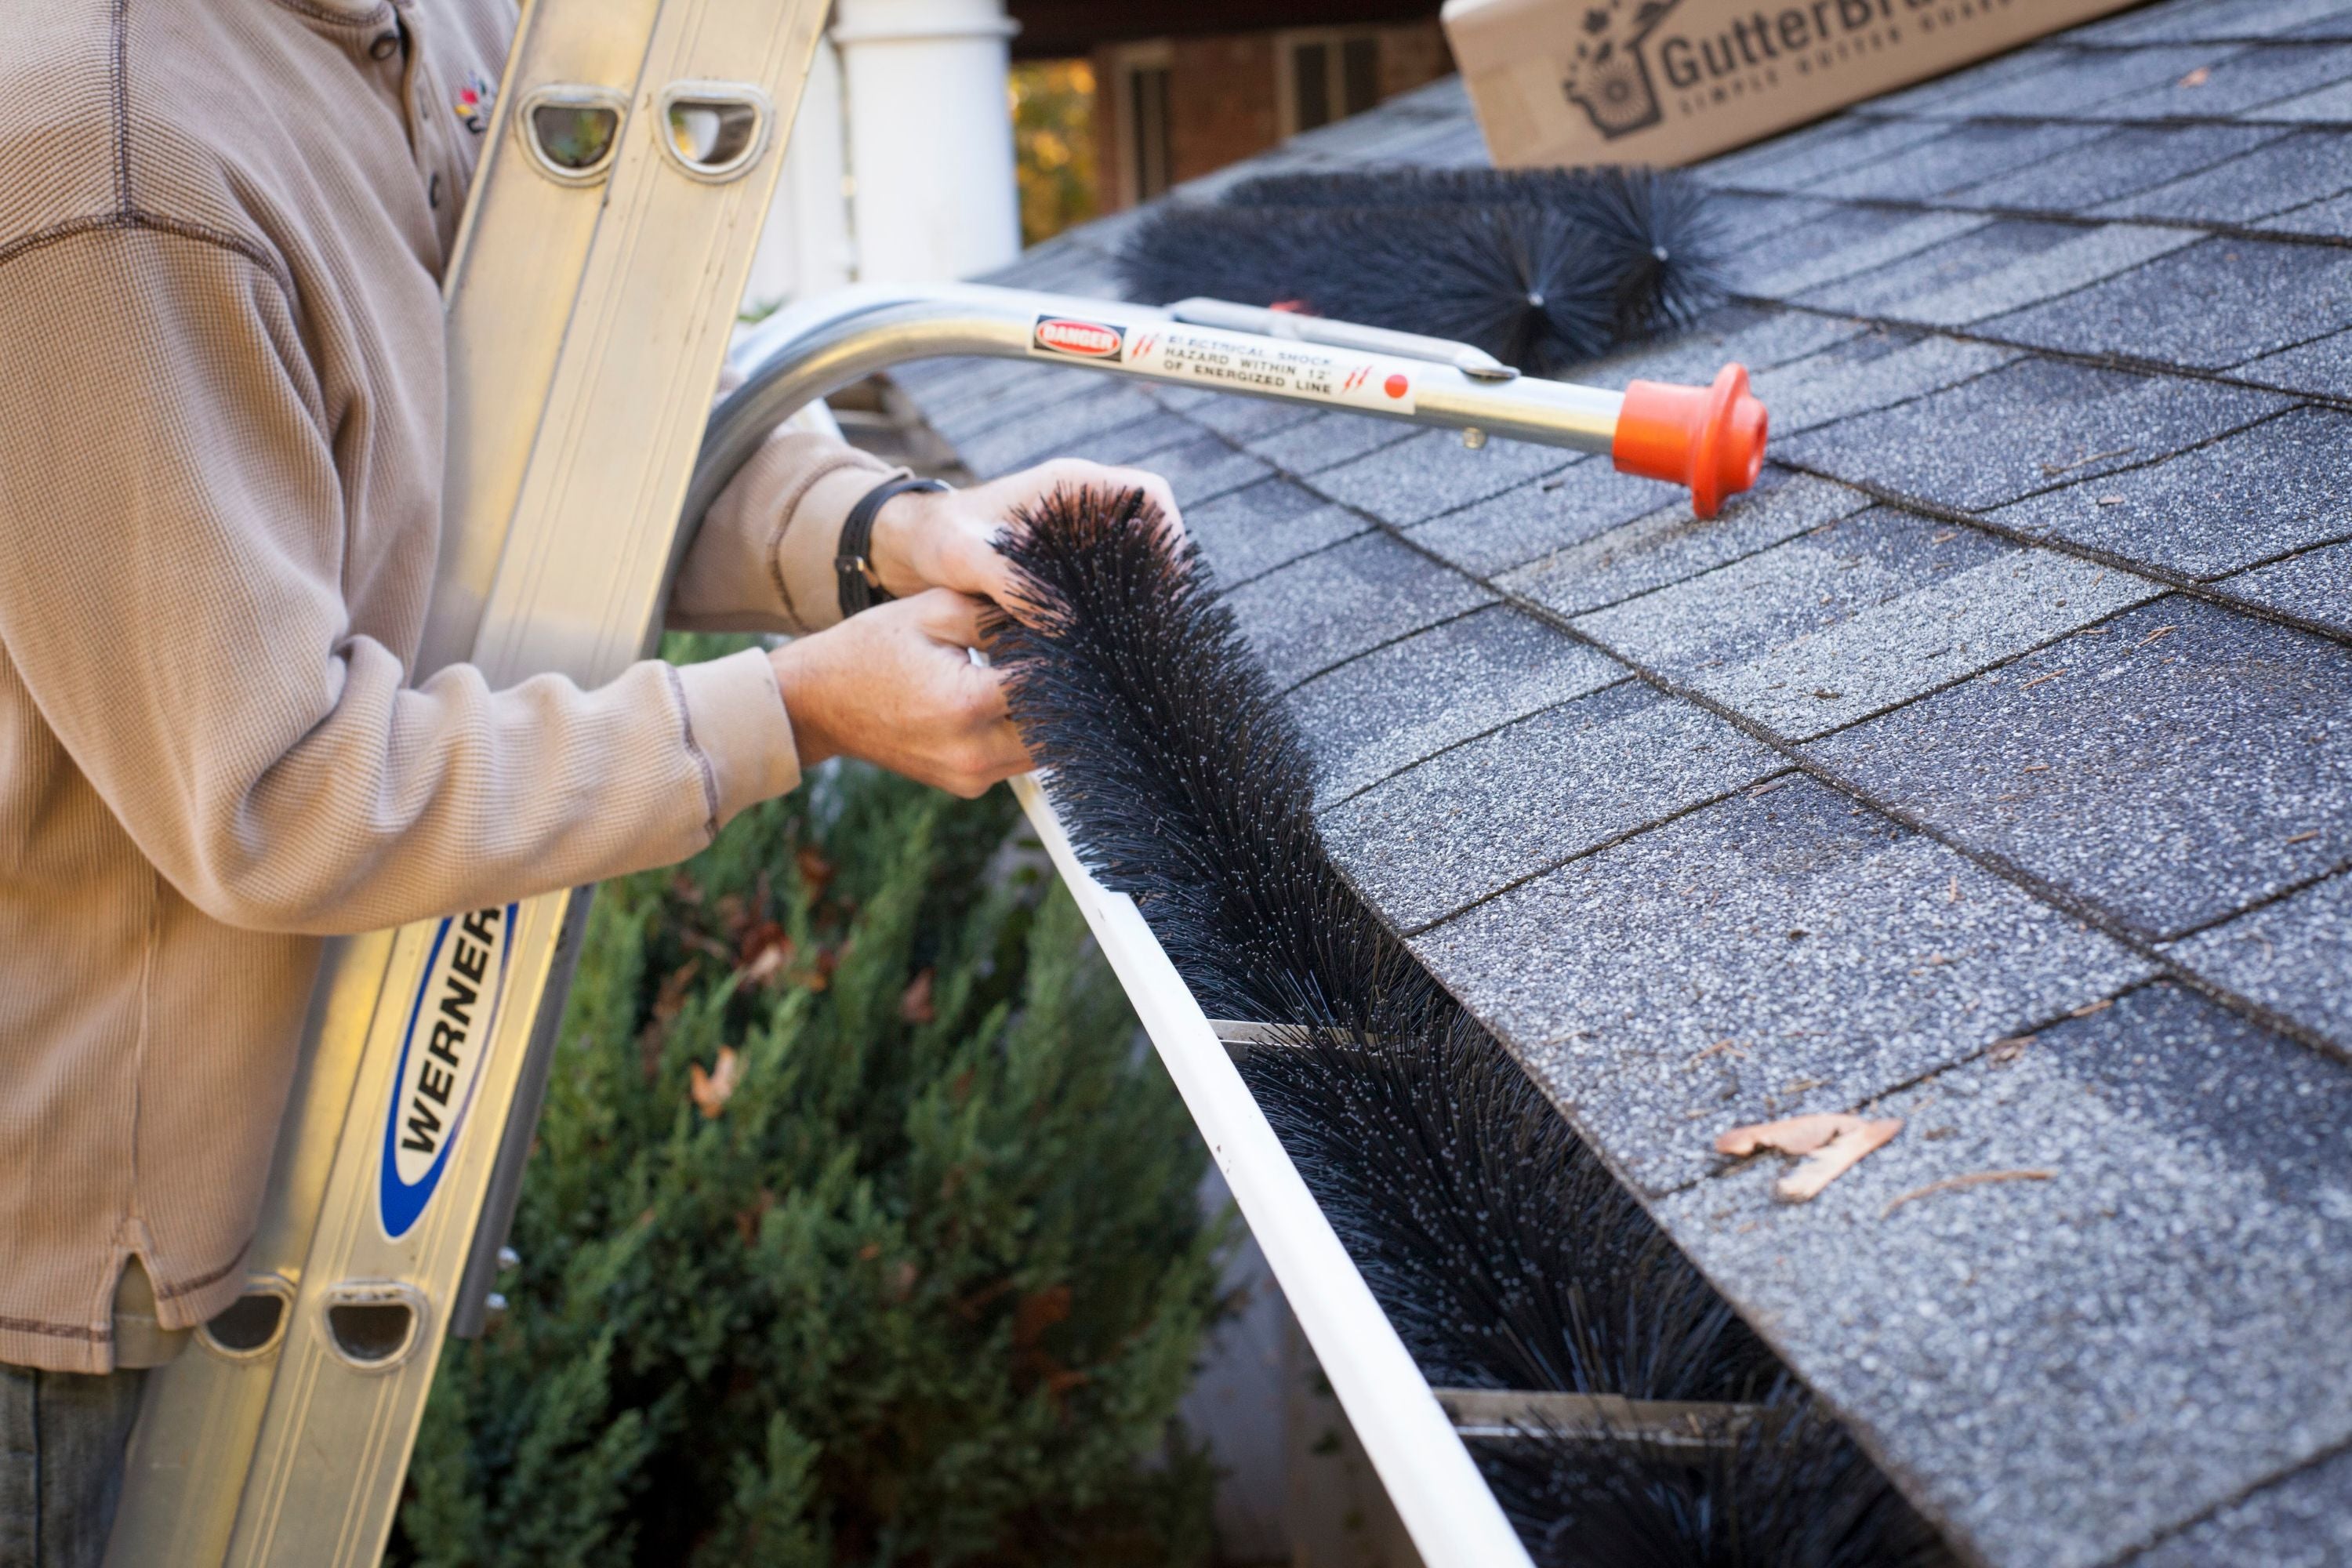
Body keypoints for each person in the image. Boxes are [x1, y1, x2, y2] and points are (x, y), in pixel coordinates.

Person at [0, 3, 1178, 1561]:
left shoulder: (442, 21)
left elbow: (582, 433)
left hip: (308, 1168)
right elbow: (276, 786)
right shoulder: (105, 165)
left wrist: (884, 529)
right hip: (83, 1293)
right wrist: (796, 714)